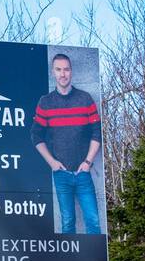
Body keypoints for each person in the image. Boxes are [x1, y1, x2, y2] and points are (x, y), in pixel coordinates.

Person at [31, 53, 102, 234]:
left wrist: (87, 162)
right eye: (59, 69)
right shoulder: (45, 102)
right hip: (61, 174)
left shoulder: (85, 99)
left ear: (71, 72)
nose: (63, 74)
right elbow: (36, 136)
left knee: (93, 221)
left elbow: (97, 132)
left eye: (67, 69)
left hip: (83, 173)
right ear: (53, 72)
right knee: (68, 223)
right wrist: (52, 163)